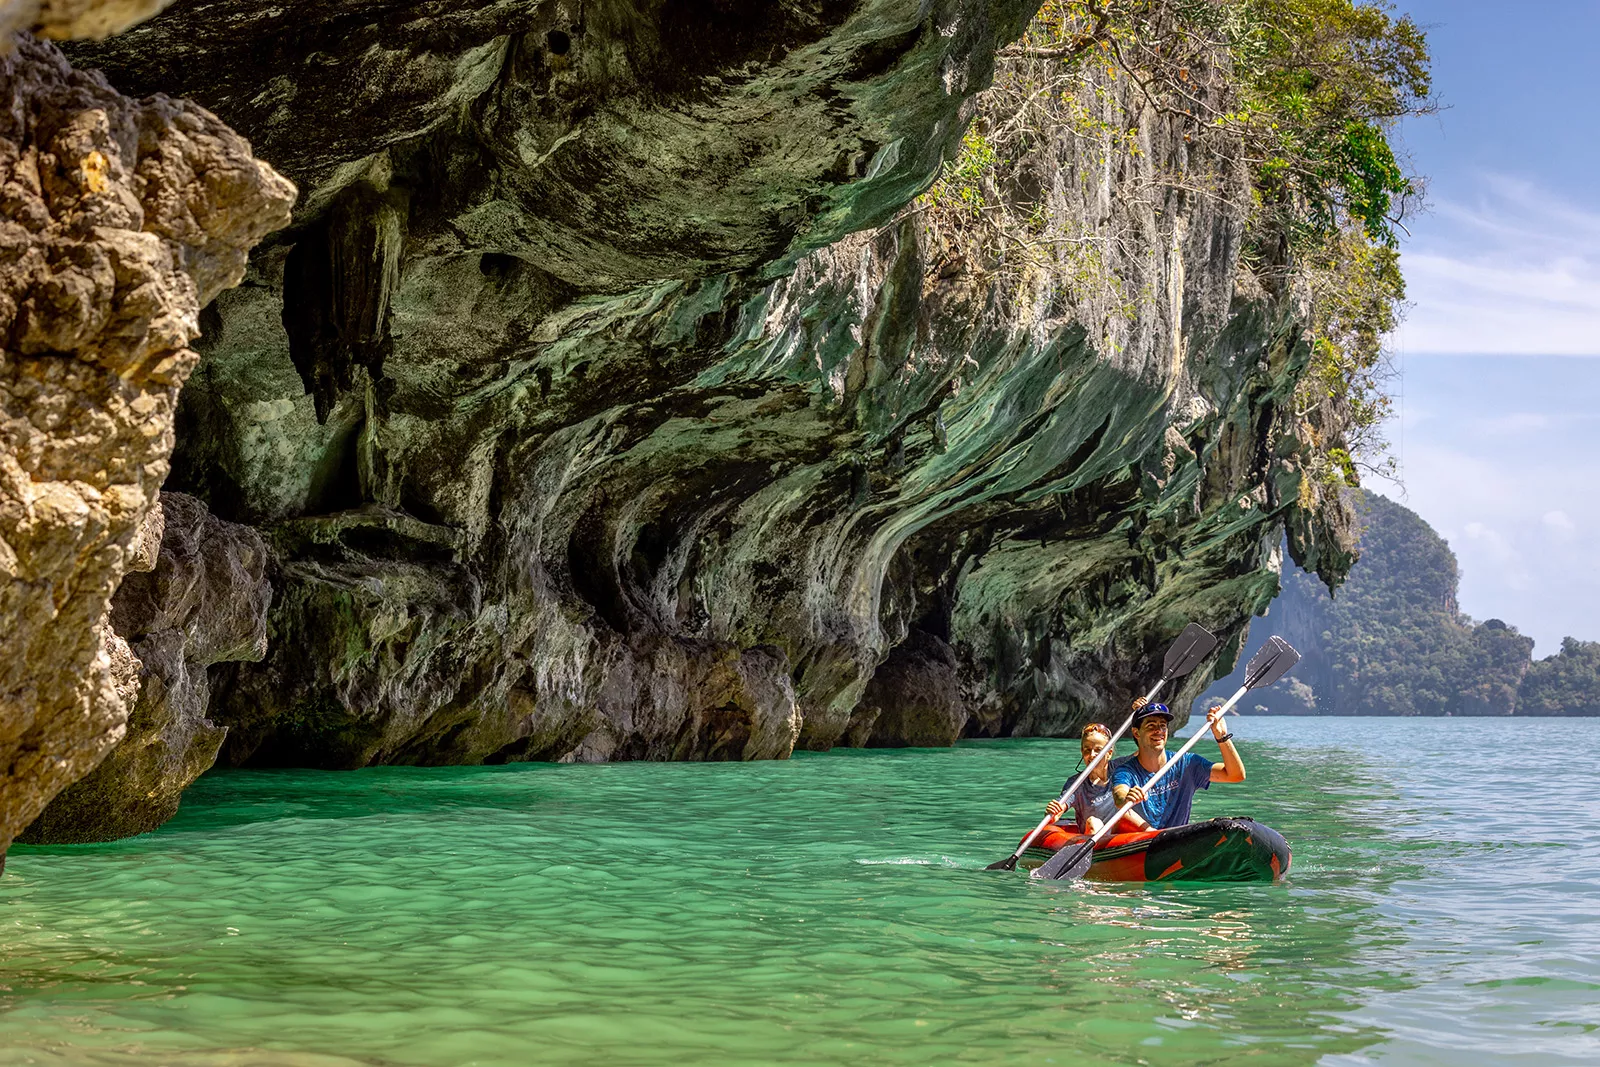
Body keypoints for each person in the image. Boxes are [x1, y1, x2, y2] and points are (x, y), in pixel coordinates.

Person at [1112, 699, 1244, 831]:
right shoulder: (1126, 771)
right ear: (1136, 733)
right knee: (1122, 816)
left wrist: (1221, 736)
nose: (1159, 731)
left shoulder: (1186, 763)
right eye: (1151, 726)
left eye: (1163, 726)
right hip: (1144, 842)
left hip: (1177, 840)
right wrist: (1127, 797)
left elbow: (1235, 775)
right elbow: (1119, 795)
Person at [1044, 722, 1150, 835]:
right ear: (1082, 752)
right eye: (1087, 750)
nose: (1092, 755)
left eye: (1098, 750)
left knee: (1125, 812)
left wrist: (1140, 713)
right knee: (1093, 822)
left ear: (1109, 753)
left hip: (1123, 835)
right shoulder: (1075, 784)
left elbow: (1147, 750)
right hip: (1094, 837)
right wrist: (1052, 815)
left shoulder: (1121, 767)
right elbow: (1059, 809)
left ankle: (1154, 836)